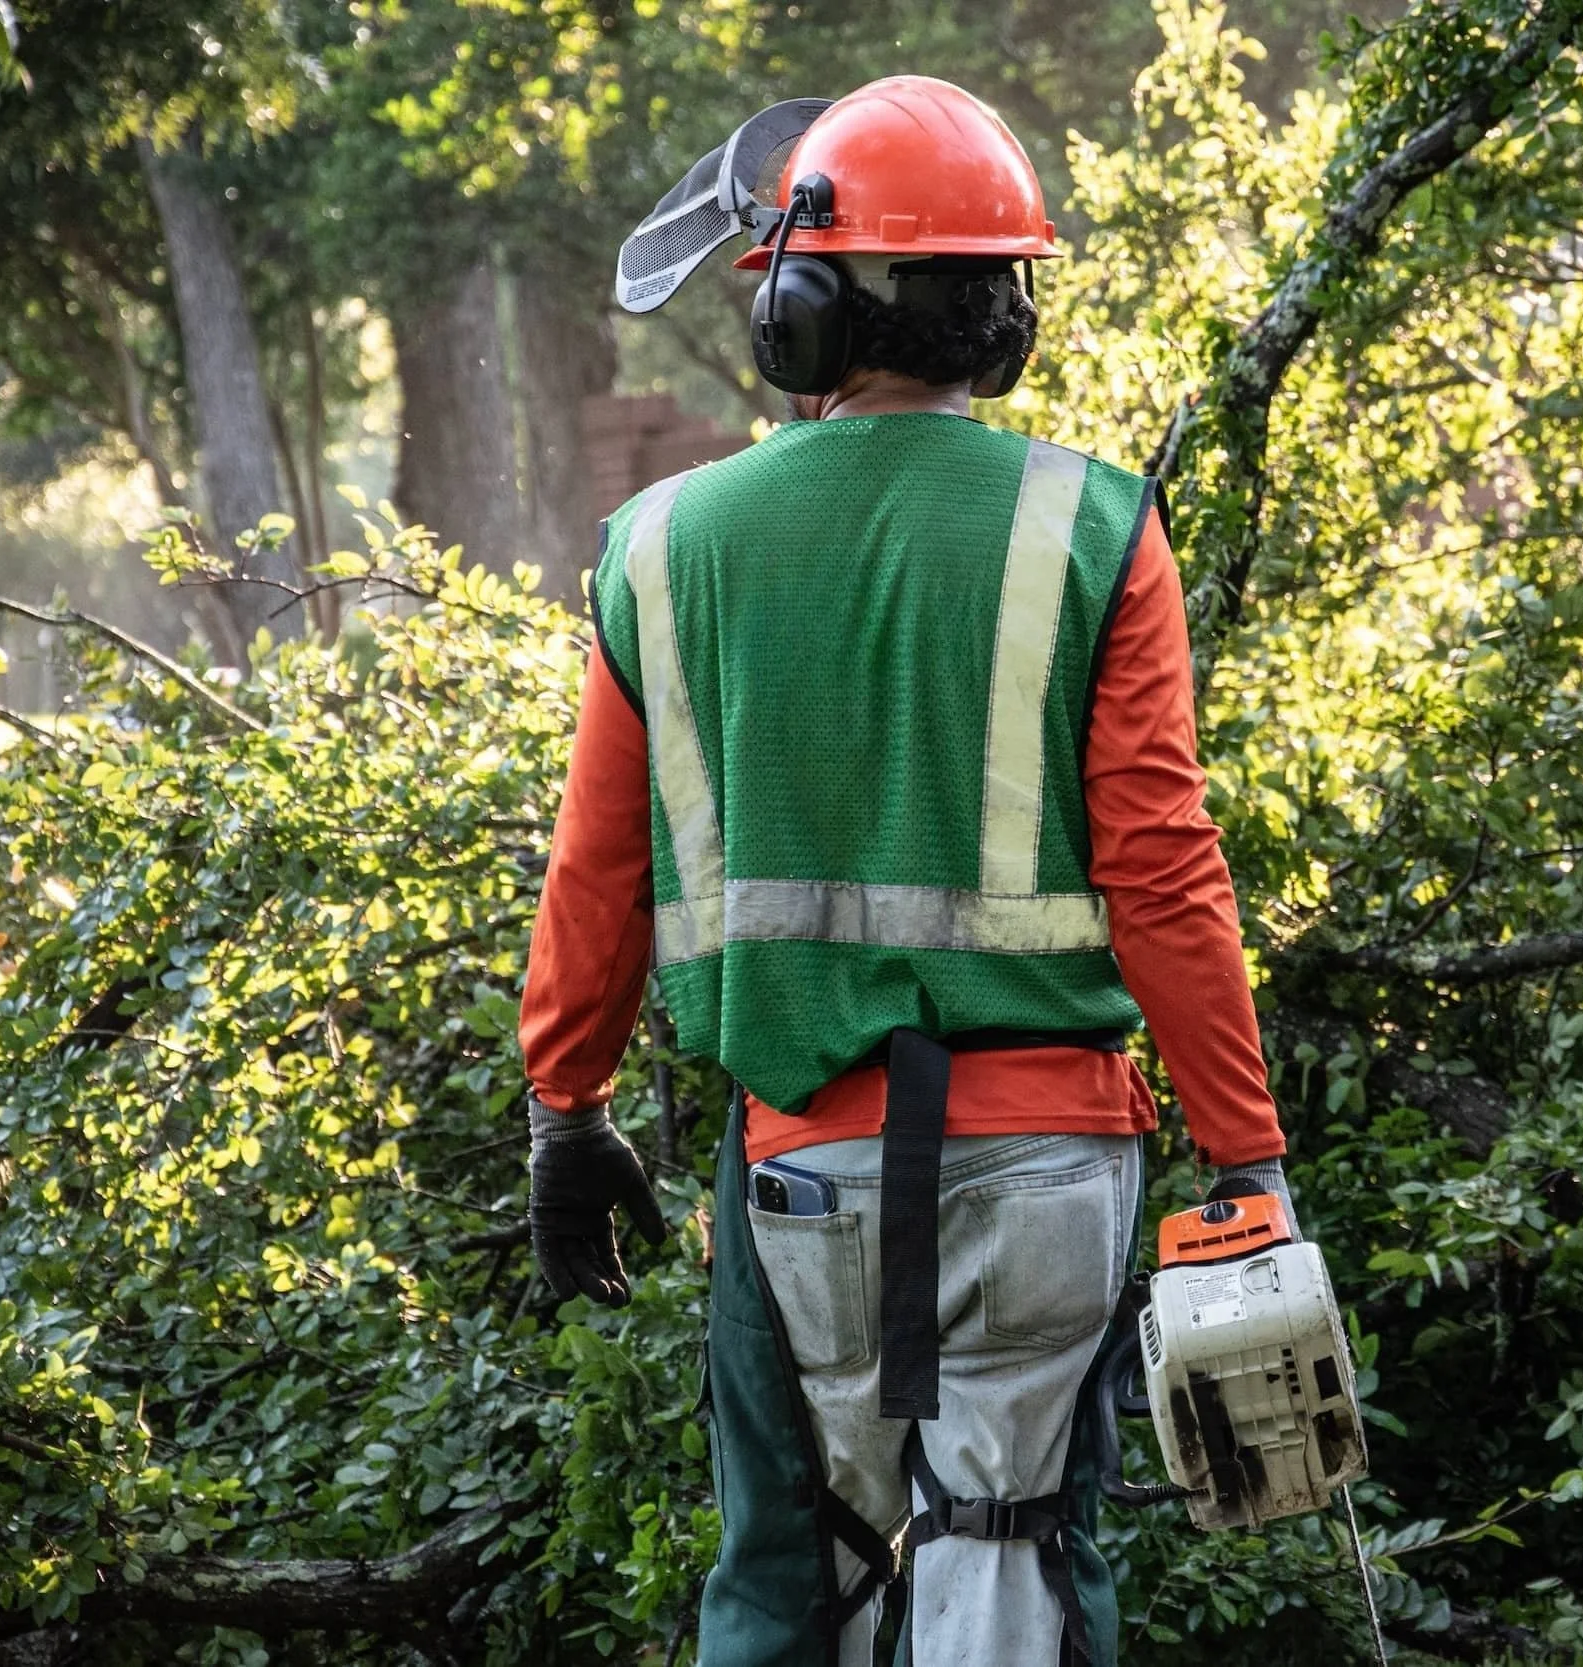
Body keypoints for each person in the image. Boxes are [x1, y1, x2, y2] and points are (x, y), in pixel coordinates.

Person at [516, 75, 1288, 1667]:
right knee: (1019, 1579)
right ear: (1003, 316)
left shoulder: (665, 547)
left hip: (798, 1172)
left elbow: (599, 871)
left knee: (792, 1590)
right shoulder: (1091, 526)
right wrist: (1247, 1157)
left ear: (793, 311)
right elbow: (1162, 868)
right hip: (1056, 1177)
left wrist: (566, 1110)